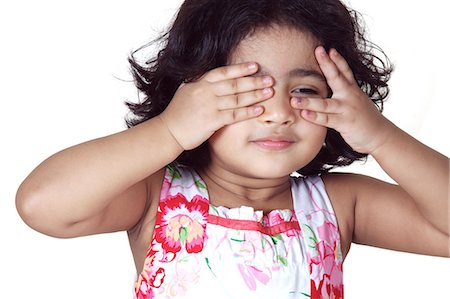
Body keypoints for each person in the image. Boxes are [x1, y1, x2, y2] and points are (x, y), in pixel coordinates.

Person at [15, 0, 449, 298]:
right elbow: (43, 205)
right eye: (247, 92)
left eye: (303, 89)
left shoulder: (337, 204)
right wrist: (169, 130)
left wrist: (382, 136)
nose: (278, 113)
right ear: (190, 95)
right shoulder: (157, 197)